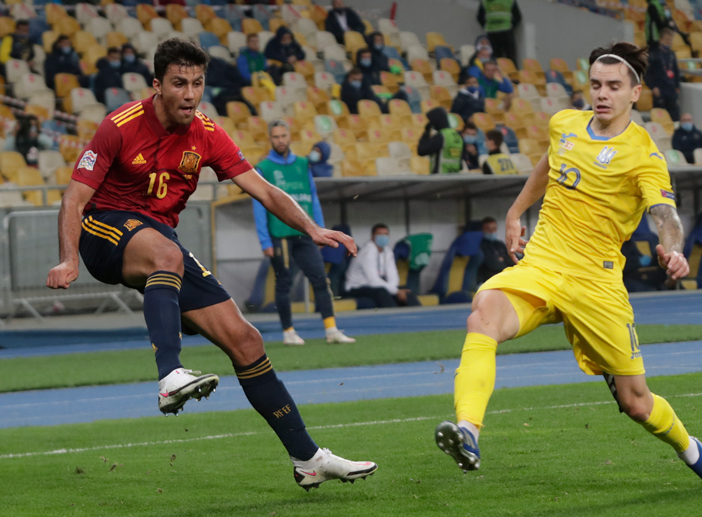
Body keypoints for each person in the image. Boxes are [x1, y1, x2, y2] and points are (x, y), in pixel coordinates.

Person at [46, 38, 376, 490]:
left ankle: (308, 459)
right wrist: (68, 258)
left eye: (197, 83)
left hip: (159, 239)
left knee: (246, 339)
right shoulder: (119, 126)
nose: (190, 94)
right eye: (179, 83)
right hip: (105, 230)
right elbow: (74, 197)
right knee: (165, 253)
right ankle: (169, 375)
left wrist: (311, 229)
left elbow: (263, 190)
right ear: (158, 85)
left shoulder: (207, 133)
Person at [433, 41, 702, 490]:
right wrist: (516, 212)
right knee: (483, 317)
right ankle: (469, 433)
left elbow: (665, 214)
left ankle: (693, 452)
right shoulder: (565, 125)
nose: (602, 93)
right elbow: (549, 165)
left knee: (636, 402)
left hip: (597, 283)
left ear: (635, 93)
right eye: (596, 84)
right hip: (543, 265)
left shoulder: (644, 155)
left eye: (614, 86)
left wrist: (672, 249)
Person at [253, 121, 355, 346]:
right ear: (270, 139)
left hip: (306, 234)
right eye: (276, 137)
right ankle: (288, 332)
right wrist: (264, 239)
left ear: (290, 137)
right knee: (284, 283)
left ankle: (331, 330)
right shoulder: (264, 168)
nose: (280, 140)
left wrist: (320, 230)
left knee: (320, 279)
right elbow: (259, 205)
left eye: (283, 135)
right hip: (280, 234)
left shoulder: (303, 165)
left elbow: (313, 198)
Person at [344, 223, 421, 307]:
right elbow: (373, 281)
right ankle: (393, 318)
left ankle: (421, 316)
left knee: (408, 294)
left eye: (385, 234)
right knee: (383, 292)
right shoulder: (367, 252)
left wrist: (396, 290)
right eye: (380, 234)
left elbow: (393, 276)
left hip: (377, 287)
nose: (383, 237)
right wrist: (396, 292)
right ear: (373, 236)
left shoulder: (387, 252)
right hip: (356, 288)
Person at [646, 29, 680, 121]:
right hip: (660, 89)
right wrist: (653, 87)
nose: (668, 42)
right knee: (660, 116)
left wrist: (677, 86)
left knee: (675, 117)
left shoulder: (672, 54)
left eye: (670, 40)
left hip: (671, 89)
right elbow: (647, 73)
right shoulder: (654, 54)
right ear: (661, 40)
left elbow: (676, 71)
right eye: (666, 40)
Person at [418, 107, 464, 174]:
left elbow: (421, 151)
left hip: (440, 176)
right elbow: (460, 164)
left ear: (436, 121)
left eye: (431, 121)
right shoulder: (457, 135)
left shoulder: (442, 136)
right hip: (454, 176)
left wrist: (426, 132)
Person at [477, 216, 510, 284]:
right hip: (488, 281)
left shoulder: (499, 244)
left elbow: (515, 260)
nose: (492, 231)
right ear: (482, 230)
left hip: (504, 278)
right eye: (488, 229)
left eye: (494, 229)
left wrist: (503, 258)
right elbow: (494, 265)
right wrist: (505, 260)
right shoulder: (480, 245)